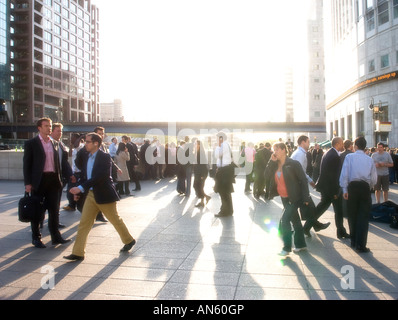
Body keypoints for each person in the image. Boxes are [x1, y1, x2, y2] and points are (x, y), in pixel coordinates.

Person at [64, 132, 136, 261]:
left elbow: (99, 177)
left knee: (115, 219)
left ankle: (129, 240)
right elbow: (85, 176)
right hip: (91, 194)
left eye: (87, 142)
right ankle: (78, 252)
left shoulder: (105, 157)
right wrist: (80, 191)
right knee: (84, 224)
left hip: (104, 194)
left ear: (96, 143)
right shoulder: (86, 156)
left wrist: (80, 188)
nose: (85, 144)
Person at [23, 118, 70, 248]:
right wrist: (28, 183)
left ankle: (56, 236)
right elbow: (26, 165)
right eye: (46, 126)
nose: (49, 128)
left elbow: (59, 163)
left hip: (54, 180)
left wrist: (62, 178)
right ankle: (36, 237)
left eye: (50, 126)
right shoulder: (31, 143)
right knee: (38, 211)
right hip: (39, 181)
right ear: (39, 127)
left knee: (54, 210)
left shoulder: (54, 143)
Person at [265, 142, 308, 256]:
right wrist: (270, 162)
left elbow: (303, 180)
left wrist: (306, 197)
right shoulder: (275, 164)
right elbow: (266, 176)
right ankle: (301, 244)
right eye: (274, 150)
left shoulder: (293, 163)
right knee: (295, 221)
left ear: (284, 150)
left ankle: (287, 247)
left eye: (277, 149)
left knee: (285, 220)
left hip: (294, 197)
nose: (275, 152)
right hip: (284, 197)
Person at [340, 136, 377, 253]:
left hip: (352, 187)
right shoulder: (370, 159)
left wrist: (345, 190)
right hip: (364, 187)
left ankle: (353, 241)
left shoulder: (349, 157)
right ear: (365, 146)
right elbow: (374, 178)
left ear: (355, 146)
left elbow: (344, 174)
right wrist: (369, 186)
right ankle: (361, 245)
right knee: (363, 216)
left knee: (352, 214)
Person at [291, 135, 330, 234]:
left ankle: (312, 227)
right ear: (303, 142)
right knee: (311, 209)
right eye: (308, 142)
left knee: (308, 210)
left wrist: (310, 181)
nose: (309, 144)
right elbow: (300, 172)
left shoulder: (299, 153)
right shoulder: (300, 154)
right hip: (299, 187)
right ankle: (313, 227)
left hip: (297, 186)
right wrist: (310, 182)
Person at [314, 137, 350, 239]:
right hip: (331, 189)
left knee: (328, 209)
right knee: (335, 210)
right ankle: (309, 224)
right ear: (337, 144)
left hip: (327, 188)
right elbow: (333, 176)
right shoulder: (334, 156)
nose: (343, 145)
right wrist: (335, 192)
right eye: (342, 143)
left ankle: (341, 231)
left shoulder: (329, 153)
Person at [50, 123, 75, 227]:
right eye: (58, 131)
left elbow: (64, 162)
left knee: (57, 201)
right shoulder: (47, 144)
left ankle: (55, 222)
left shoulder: (60, 145)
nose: (60, 133)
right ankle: (40, 222)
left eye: (61, 131)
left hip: (59, 178)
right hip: (47, 178)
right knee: (45, 202)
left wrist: (70, 175)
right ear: (52, 131)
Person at [214, 132, 235, 217]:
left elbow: (217, 155)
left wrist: (217, 146)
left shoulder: (223, 145)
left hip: (224, 172)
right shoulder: (227, 145)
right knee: (226, 192)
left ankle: (224, 212)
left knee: (223, 192)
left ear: (221, 138)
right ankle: (229, 211)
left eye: (217, 138)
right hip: (226, 171)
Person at [193, 140, 211, 207]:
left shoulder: (201, 153)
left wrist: (202, 175)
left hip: (201, 174)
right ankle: (204, 200)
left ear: (199, 145)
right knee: (198, 187)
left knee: (198, 186)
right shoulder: (197, 152)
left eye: (195, 144)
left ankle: (204, 199)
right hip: (197, 173)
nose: (194, 145)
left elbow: (203, 165)